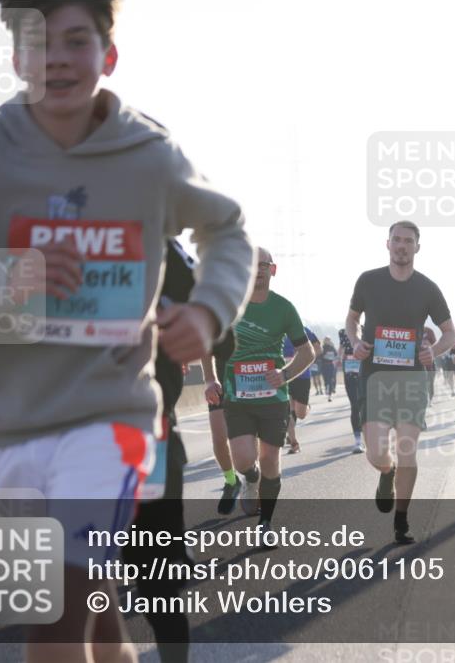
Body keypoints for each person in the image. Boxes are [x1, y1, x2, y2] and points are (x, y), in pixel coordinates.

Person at [0, 0, 254, 659]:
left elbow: (226, 228)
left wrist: (207, 310)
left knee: (56, 610)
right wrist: (5, 281)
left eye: (75, 40)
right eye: (39, 43)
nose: (56, 58)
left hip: (111, 420)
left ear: (108, 56)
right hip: (11, 428)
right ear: (16, 59)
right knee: (94, 613)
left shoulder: (149, 156)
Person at [346, 221, 455, 544]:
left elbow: (450, 333)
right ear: (388, 244)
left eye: (408, 241)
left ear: (417, 247)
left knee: (407, 451)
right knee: (377, 452)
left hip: (411, 380)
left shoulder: (427, 288)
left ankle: (401, 521)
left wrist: (433, 352)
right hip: (375, 378)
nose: (402, 246)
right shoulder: (368, 281)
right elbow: (352, 320)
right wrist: (355, 342)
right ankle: (386, 471)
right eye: (397, 240)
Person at [121, 240, 195, 663]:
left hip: (147, 432)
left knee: (154, 585)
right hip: (66, 430)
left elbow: (216, 324)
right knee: (74, 583)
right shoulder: (36, 231)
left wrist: (201, 322)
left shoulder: (159, 241)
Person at [220, 248, 315, 536]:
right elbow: (209, 344)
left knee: (271, 459)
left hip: (273, 399)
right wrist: (211, 378)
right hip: (237, 398)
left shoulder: (284, 308)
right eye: (252, 264)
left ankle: (266, 523)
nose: (257, 270)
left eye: (263, 265)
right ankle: (251, 478)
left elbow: (307, 352)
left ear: (272, 270)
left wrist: (284, 374)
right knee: (242, 459)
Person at [201, 328, 240, 514]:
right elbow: (206, 345)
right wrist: (210, 379)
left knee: (249, 434)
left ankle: (252, 478)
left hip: (249, 380)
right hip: (221, 382)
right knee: (219, 437)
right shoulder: (219, 315)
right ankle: (231, 481)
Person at [283, 327, 322, 454]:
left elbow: (318, 348)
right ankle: (294, 443)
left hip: (301, 375)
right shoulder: (275, 329)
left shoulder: (302, 329)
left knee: (300, 414)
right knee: (287, 410)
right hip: (283, 376)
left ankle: (306, 407)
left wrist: (306, 359)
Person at [338, 328, 364, 453]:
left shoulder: (367, 329)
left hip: (366, 370)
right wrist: (339, 359)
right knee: (354, 405)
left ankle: (369, 433)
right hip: (350, 370)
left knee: (366, 405)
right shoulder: (343, 332)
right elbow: (341, 349)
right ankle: (358, 440)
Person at [320, 337, 339, 401]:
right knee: (326, 379)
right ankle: (326, 387)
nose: (328, 341)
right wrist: (324, 353)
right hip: (324, 365)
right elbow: (320, 356)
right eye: (327, 340)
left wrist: (336, 360)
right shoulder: (323, 347)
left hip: (331, 365)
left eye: (329, 340)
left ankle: (329, 395)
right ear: (324, 341)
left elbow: (336, 355)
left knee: (330, 379)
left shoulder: (332, 347)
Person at [423, 326, 437, 399]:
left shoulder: (429, 331)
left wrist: (429, 345)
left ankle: (430, 399)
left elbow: (436, 345)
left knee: (430, 383)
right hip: (416, 364)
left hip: (429, 364)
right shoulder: (412, 329)